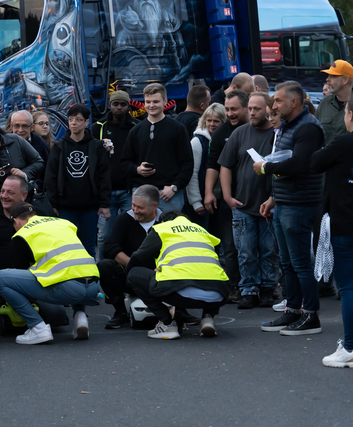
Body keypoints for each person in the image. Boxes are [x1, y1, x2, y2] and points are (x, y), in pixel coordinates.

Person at [254, 81, 325, 335]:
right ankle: (293, 310)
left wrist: (265, 168)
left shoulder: (308, 127)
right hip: (285, 202)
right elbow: (283, 161)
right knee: (287, 262)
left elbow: (300, 164)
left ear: (294, 102)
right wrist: (273, 198)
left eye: (279, 101)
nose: (274, 105)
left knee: (300, 263)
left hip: (301, 203)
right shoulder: (287, 126)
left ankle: (310, 316)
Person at [0, 203, 100, 344]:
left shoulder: (23, 234)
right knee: (73, 270)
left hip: (68, 289)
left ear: (16, 220)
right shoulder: (63, 222)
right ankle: (80, 316)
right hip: (94, 285)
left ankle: (38, 328)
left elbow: (21, 271)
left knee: (0, 279)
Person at [125, 211, 230, 339]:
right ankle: (208, 319)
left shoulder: (162, 228)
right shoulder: (201, 230)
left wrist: (129, 283)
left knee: (134, 274)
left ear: (163, 221)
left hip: (179, 292)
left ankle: (167, 325)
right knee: (208, 273)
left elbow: (138, 257)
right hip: (219, 295)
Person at [218, 92, 278, 309]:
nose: (252, 112)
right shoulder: (239, 133)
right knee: (245, 250)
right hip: (242, 205)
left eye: (257, 109)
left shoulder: (277, 134)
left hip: (270, 205)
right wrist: (227, 196)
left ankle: (267, 289)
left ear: (268, 110)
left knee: (269, 250)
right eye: (250, 108)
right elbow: (225, 165)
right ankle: (248, 290)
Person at [311, 94, 353, 367]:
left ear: (350, 115)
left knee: (349, 286)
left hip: (345, 222)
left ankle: (350, 346)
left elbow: (315, 162)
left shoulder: (343, 141)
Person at [45, 103, 111, 257]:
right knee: (67, 245)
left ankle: (90, 279)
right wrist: (53, 204)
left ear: (86, 122)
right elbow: (50, 176)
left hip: (90, 207)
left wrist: (104, 204)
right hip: (65, 206)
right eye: (71, 119)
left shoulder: (96, 146)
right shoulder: (59, 146)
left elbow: (104, 176)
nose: (73, 123)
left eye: (78, 119)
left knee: (89, 245)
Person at [204, 90, 249, 302]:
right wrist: (208, 193)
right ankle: (234, 287)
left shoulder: (261, 128)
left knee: (260, 246)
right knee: (229, 246)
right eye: (228, 109)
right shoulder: (221, 132)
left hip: (254, 197)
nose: (230, 113)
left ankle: (261, 286)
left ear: (246, 108)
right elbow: (213, 163)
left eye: (234, 109)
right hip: (227, 199)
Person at [121, 83, 194, 213]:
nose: (151, 105)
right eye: (148, 102)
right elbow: (124, 163)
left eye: (156, 101)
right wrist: (137, 169)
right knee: (143, 233)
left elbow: (188, 163)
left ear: (165, 101)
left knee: (170, 232)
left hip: (169, 194)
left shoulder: (178, 129)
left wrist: (175, 187)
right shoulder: (135, 130)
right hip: (142, 194)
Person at [97, 185, 161, 328]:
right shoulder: (124, 219)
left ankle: (180, 311)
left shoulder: (166, 221)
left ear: (154, 206)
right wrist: (132, 264)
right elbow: (110, 247)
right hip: (130, 274)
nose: (135, 210)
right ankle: (120, 312)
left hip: (159, 275)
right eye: (133, 205)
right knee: (104, 266)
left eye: (140, 207)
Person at [92, 90, 139, 259]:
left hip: (129, 191)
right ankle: (103, 271)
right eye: (115, 104)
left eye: (123, 104)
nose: (119, 108)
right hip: (106, 193)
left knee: (131, 234)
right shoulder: (98, 127)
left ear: (128, 106)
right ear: (109, 105)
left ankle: (128, 270)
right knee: (104, 236)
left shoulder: (137, 126)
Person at [184, 103, 226, 229]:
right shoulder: (197, 142)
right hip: (200, 200)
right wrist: (196, 202)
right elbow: (192, 174)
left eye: (216, 121)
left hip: (219, 200)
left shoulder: (224, 140)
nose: (212, 124)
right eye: (209, 120)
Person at [316, 60, 353, 145]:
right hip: (325, 157)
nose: (327, 79)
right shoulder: (325, 102)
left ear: (345, 80)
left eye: (333, 76)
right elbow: (315, 132)